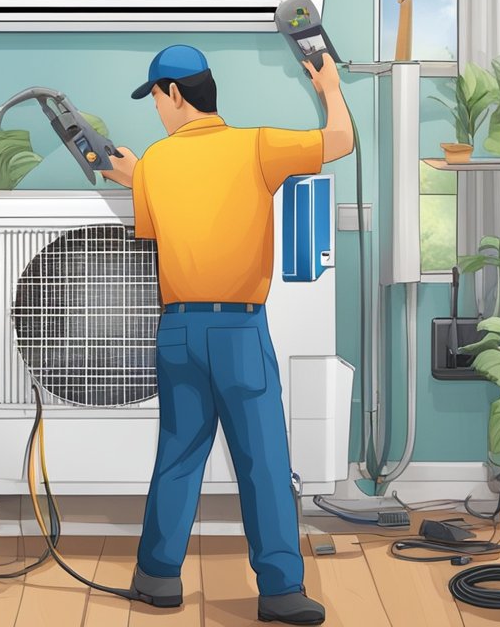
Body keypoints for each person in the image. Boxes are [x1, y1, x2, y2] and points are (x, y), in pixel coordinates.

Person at [100, 44, 353, 625]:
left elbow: (159, 226)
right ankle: (282, 589)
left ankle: (157, 578)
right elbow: (340, 141)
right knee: (262, 457)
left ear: (175, 95)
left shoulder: (157, 163)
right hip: (239, 327)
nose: (157, 110)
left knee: (179, 453)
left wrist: (133, 172)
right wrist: (329, 87)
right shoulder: (256, 145)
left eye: (157, 98)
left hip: (179, 330)